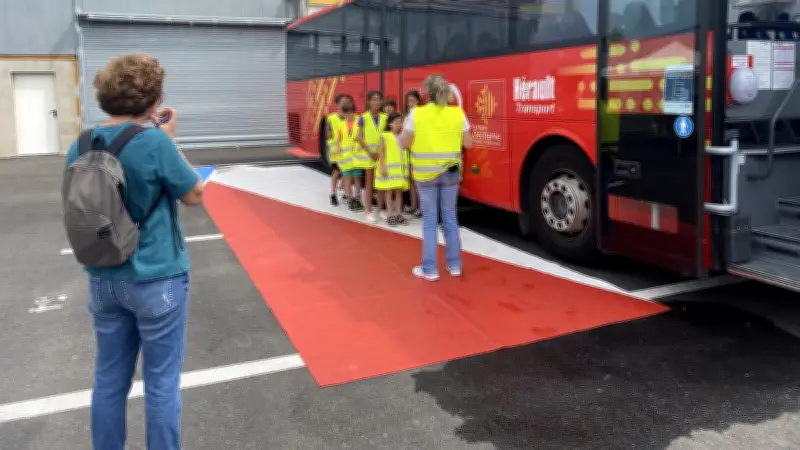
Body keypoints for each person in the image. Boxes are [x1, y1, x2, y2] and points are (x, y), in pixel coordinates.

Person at [64, 53, 203, 449]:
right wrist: (170, 140)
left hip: (103, 277)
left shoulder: (82, 143)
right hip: (157, 276)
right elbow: (195, 194)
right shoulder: (155, 141)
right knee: (161, 383)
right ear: (153, 101)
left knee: (109, 378)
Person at [400, 75, 472, 281]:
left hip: (425, 175)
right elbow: (468, 143)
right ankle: (455, 265)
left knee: (430, 221)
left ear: (427, 93)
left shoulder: (417, 114)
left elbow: (404, 143)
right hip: (450, 173)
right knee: (450, 217)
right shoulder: (457, 113)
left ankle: (430, 269)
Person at [357, 91, 388, 223]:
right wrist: (370, 152)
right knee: (369, 184)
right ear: (369, 101)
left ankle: (380, 209)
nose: (377, 102)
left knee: (381, 184)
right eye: (374, 99)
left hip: (382, 155)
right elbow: (359, 137)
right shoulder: (363, 117)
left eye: (379, 99)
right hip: (369, 155)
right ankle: (368, 210)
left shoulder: (385, 117)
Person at [375, 112, 409, 226]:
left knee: (399, 193)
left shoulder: (403, 136)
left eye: (400, 122)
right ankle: (390, 215)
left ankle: (399, 214)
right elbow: (381, 152)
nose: (399, 124)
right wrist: (383, 166)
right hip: (389, 170)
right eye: (396, 122)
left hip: (399, 170)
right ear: (390, 124)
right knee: (389, 192)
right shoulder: (385, 136)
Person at [336, 95, 366, 212]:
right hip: (346, 157)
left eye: (349, 113)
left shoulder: (360, 121)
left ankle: (357, 196)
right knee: (347, 178)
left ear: (353, 111)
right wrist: (338, 149)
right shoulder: (341, 125)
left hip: (357, 157)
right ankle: (349, 197)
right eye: (345, 114)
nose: (347, 116)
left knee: (357, 177)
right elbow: (339, 139)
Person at [403, 90, 423, 218]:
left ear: (418, 101)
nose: (411, 103)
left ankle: (421, 208)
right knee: (411, 180)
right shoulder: (406, 115)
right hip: (408, 150)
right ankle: (413, 205)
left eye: (413, 101)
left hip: (418, 150)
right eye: (409, 101)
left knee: (418, 181)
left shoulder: (421, 114)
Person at [326, 94, 348, 206]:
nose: (345, 103)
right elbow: (329, 134)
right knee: (336, 172)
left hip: (348, 150)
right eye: (342, 101)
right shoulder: (331, 118)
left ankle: (345, 192)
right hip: (336, 151)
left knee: (347, 172)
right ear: (337, 103)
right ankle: (333, 194)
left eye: (347, 101)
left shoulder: (351, 117)